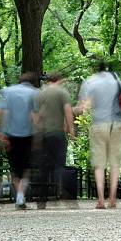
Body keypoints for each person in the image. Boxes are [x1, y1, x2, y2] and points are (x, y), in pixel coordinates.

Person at [75, 61, 121, 209]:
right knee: (115, 163)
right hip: (117, 125)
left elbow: (83, 107)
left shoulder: (90, 82)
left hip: (99, 125)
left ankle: (101, 200)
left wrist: (71, 110)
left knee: (99, 165)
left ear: (96, 70)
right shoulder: (117, 80)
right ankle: (112, 198)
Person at [0, 72, 40, 210]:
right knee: (26, 166)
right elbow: (35, 115)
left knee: (14, 167)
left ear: (20, 81)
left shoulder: (7, 92)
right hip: (28, 134)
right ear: (33, 82)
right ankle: (20, 195)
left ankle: (19, 197)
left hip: (10, 135)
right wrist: (39, 133)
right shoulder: (35, 93)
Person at [32, 71, 75, 209]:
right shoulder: (62, 93)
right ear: (59, 79)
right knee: (59, 164)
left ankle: (41, 199)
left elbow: (35, 115)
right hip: (57, 133)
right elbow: (68, 111)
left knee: (44, 166)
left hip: (43, 135)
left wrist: (37, 130)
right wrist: (71, 130)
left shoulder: (40, 94)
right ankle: (64, 194)